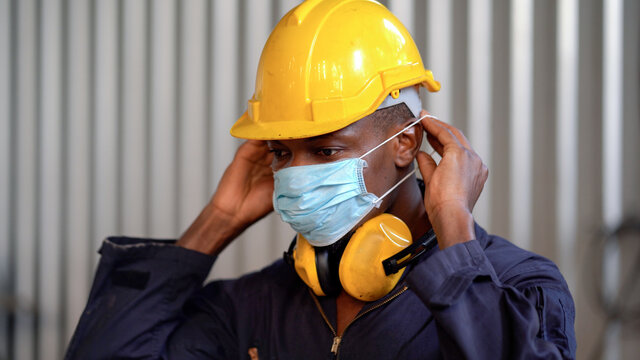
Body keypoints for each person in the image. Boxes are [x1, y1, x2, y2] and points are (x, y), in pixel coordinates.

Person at [65, 0, 576, 359]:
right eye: (282, 152)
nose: (297, 173)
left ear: (404, 142)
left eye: (326, 149)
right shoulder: (255, 305)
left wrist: (455, 234)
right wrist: (214, 224)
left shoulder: (520, 288)